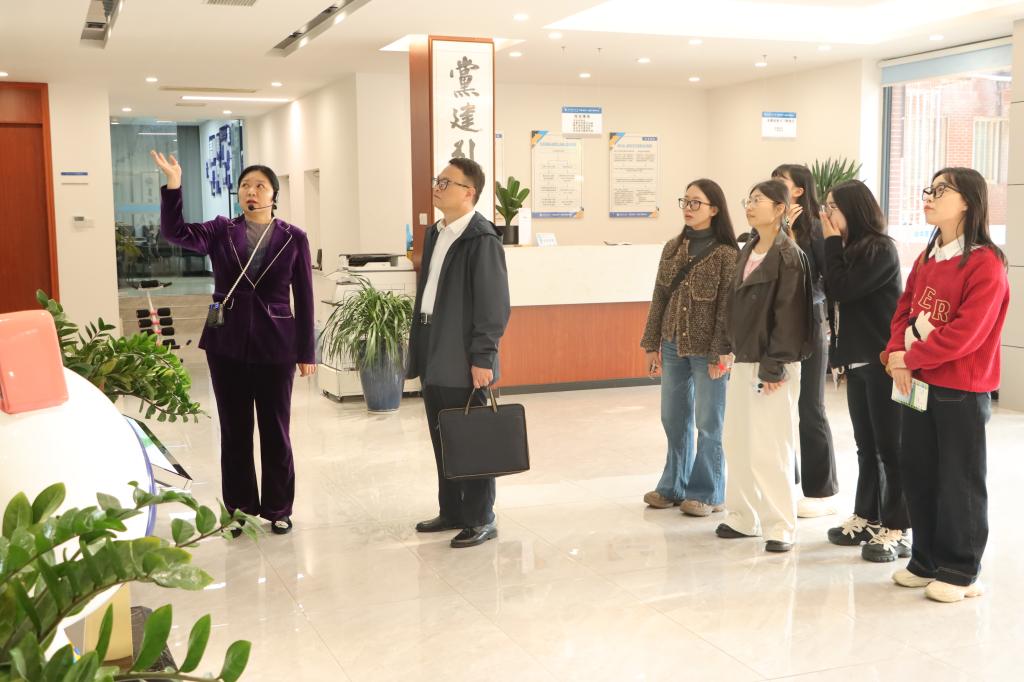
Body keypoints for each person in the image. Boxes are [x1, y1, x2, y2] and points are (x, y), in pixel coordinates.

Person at [152, 150, 315, 535]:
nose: (251, 192)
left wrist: (307, 351)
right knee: (235, 430)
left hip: (276, 344)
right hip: (226, 343)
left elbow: (305, 297)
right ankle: (239, 509)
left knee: (276, 430)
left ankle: (278, 508)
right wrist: (174, 185)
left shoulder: (294, 238)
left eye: (260, 186)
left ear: (274, 194)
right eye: (245, 186)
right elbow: (175, 233)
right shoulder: (220, 230)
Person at [883, 167, 1009, 603]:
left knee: (960, 479)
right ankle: (925, 560)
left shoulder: (986, 262)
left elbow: (967, 332)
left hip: (960, 389)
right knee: (919, 471)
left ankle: (960, 569)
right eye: (929, 190)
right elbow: (903, 310)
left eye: (941, 191)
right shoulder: (927, 257)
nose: (930, 197)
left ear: (968, 202)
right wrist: (895, 355)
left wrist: (910, 357)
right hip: (916, 382)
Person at [408, 157, 511, 549]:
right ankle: (452, 509)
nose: (437, 187)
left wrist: (483, 357)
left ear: (469, 192)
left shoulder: (481, 239)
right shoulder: (436, 233)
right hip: (432, 342)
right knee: (442, 434)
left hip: (461, 352)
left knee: (470, 437)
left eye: (446, 182)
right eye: (438, 180)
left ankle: (481, 516)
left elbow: (493, 305)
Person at [716, 179, 813, 553]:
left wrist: (774, 366)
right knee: (737, 440)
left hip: (773, 364)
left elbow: (790, 315)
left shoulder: (789, 255)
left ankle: (780, 524)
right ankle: (743, 517)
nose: (750, 205)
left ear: (780, 209)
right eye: (749, 199)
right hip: (745, 359)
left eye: (759, 200)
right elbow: (733, 304)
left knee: (770, 446)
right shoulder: (749, 248)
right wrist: (725, 346)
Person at [820, 180, 910, 562]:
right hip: (856, 361)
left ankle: (898, 527)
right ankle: (869, 516)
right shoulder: (847, 249)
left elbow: (842, 289)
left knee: (892, 448)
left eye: (833, 207)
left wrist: (829, 242)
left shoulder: (880, 249)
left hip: (883, 362)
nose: (826, 214)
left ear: (854, 209)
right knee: (866, 446)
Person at [640, 179, 739, 517]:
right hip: (672, 344)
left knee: (709, 421)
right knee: (673, 417)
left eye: (696, 202)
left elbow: (727, 308)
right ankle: (673, 485)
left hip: (708, 348)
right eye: (685, 200)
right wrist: (651, 343)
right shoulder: (672, 247)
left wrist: (719, 351)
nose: (688, 207)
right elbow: (659, 297)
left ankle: (708, 493)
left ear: (715, 209)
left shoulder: (727, 254)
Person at [772, 164, 838, 518]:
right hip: (777, 327)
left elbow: (826, 279)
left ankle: (821, 491)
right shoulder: (772, 226)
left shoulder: (815, 226)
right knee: (777, 407)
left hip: (810, 324)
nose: (773, 185)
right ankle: (785, 480)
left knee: (810, 408)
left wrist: (791, 240)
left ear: (798, 190)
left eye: (780, 181)